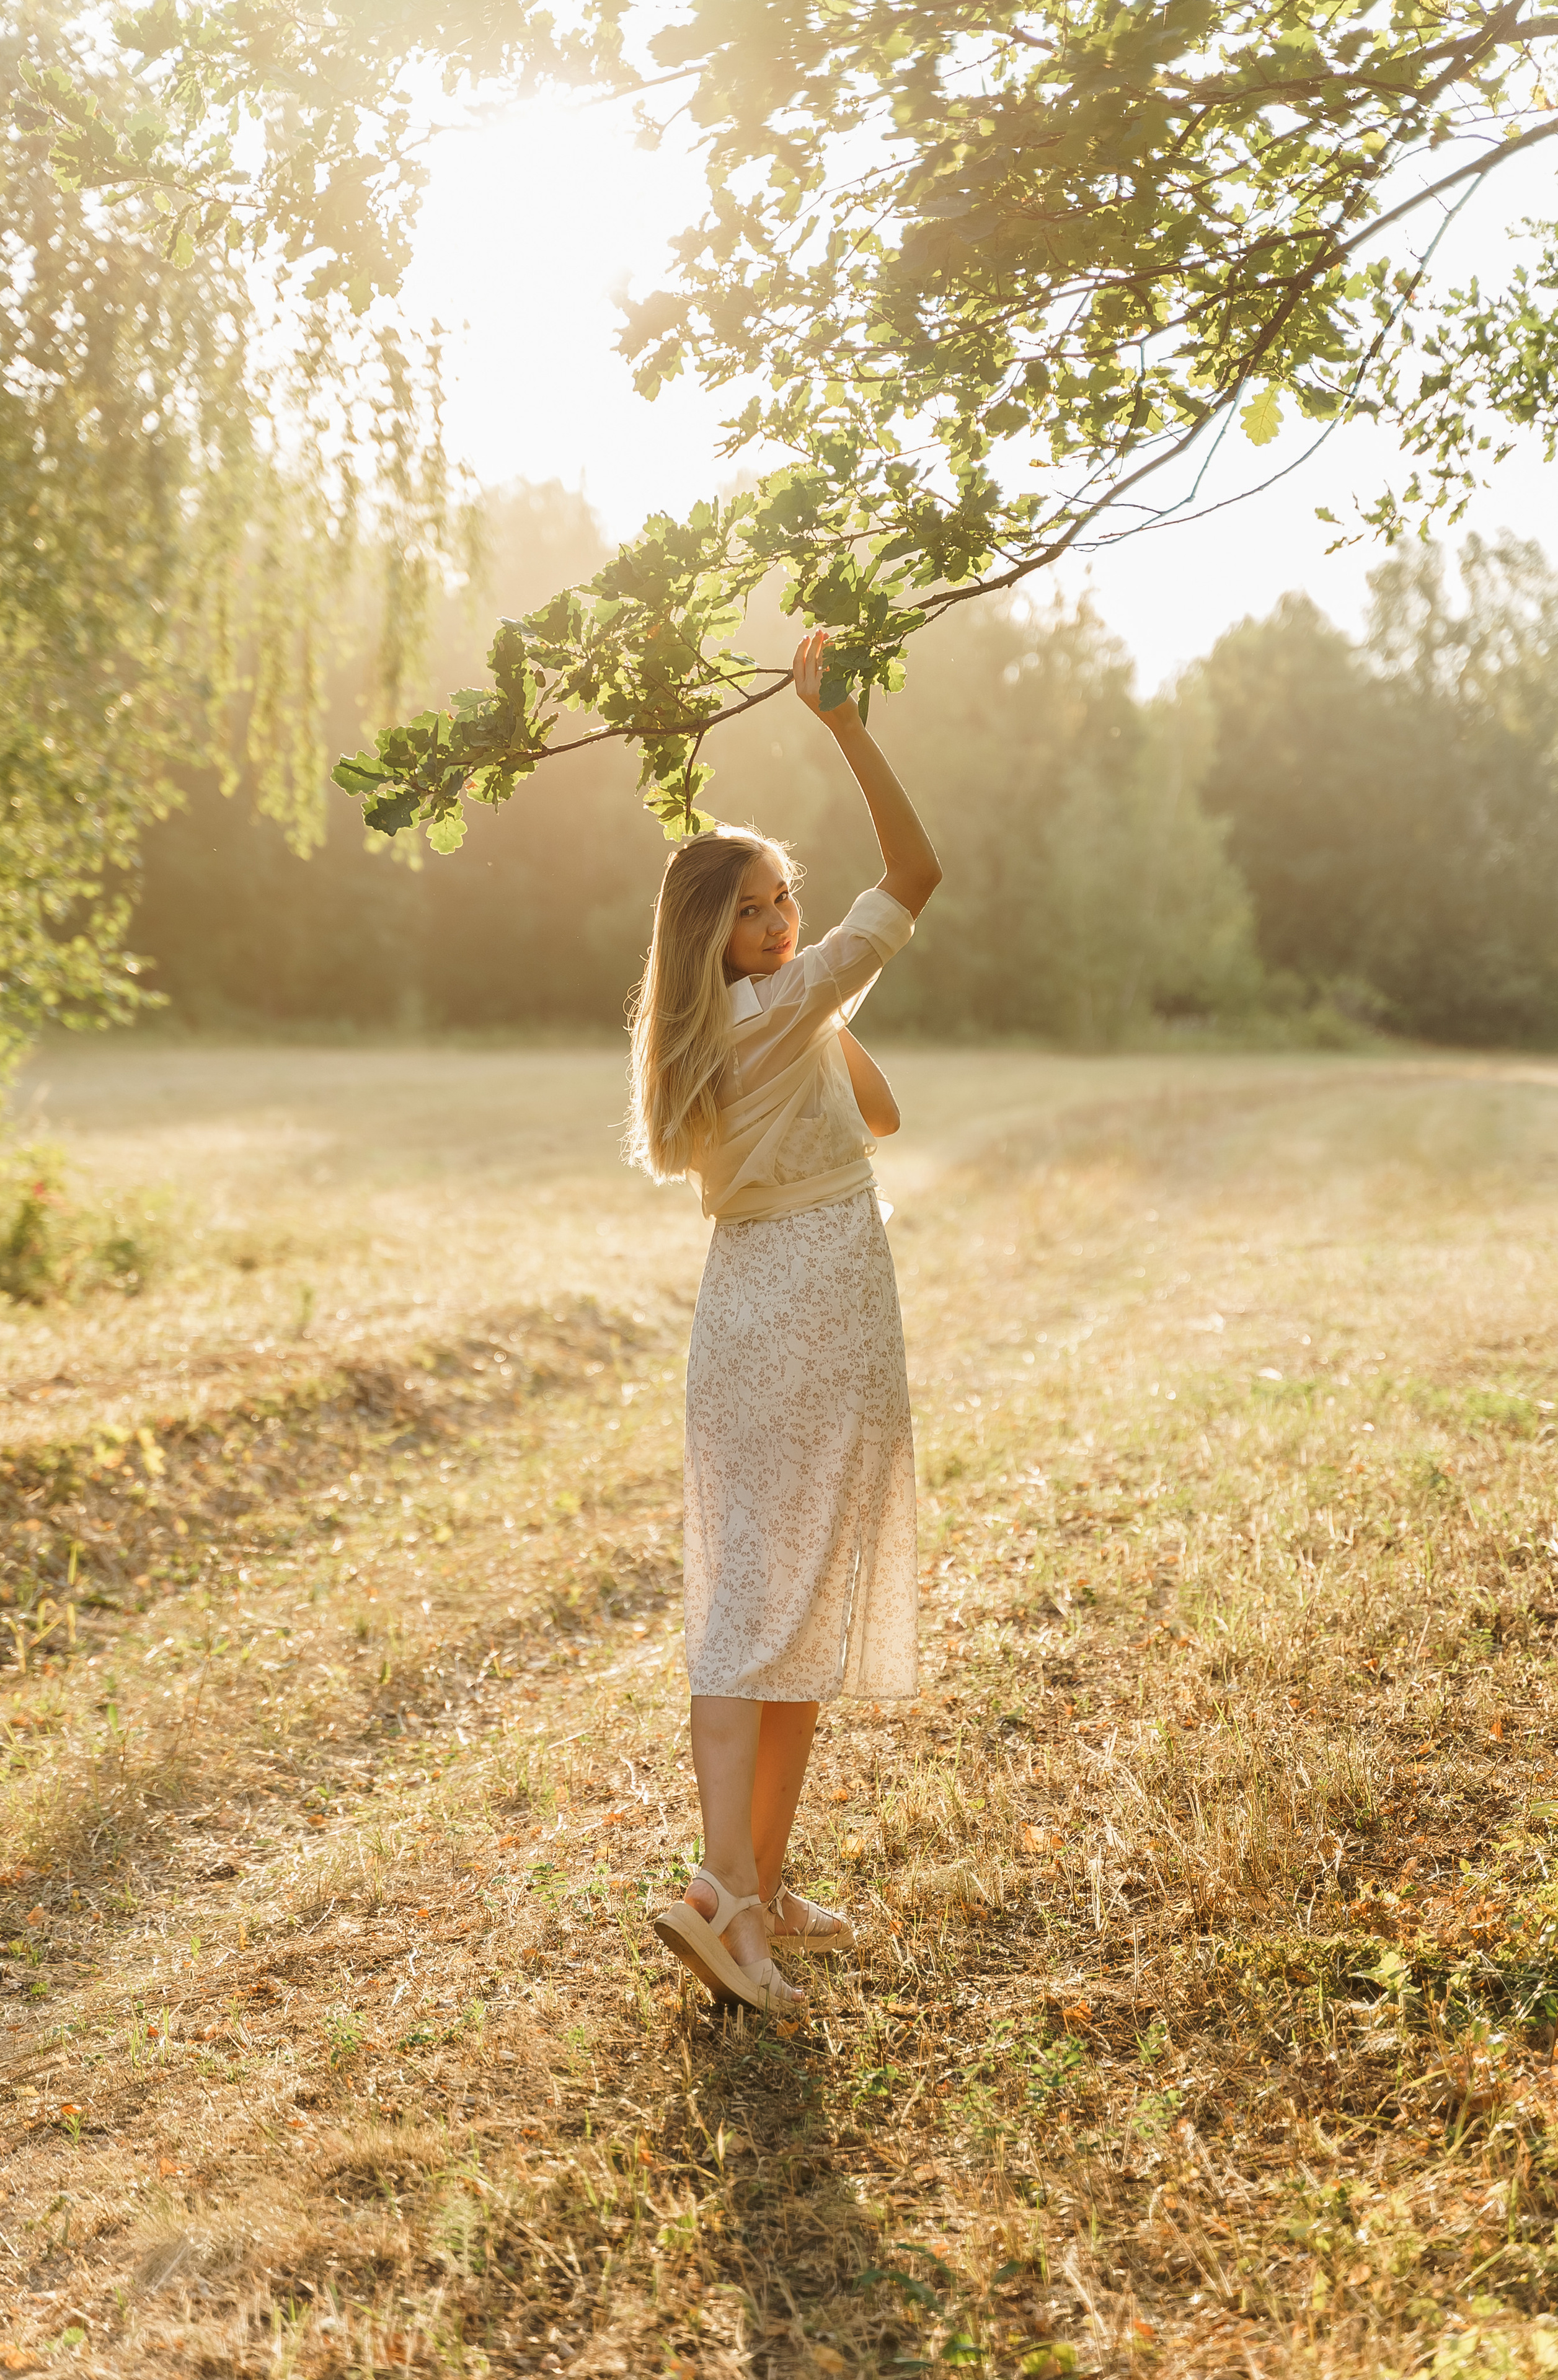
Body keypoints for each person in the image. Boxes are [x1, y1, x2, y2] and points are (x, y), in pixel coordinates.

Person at [624, 628, 942, 2011]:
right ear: (710, 933)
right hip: (811, 1298)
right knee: (756, 1613)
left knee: (784, 1601)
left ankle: (747, 1878)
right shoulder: (780, 1004)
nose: (780, 925)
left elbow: (876, 1107)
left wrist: (820, 989)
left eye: (782, 902)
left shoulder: (715, 1031)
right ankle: (731, 1904)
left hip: (753, 1307)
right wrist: (845, 728)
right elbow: (918, 875)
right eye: (752, 908)